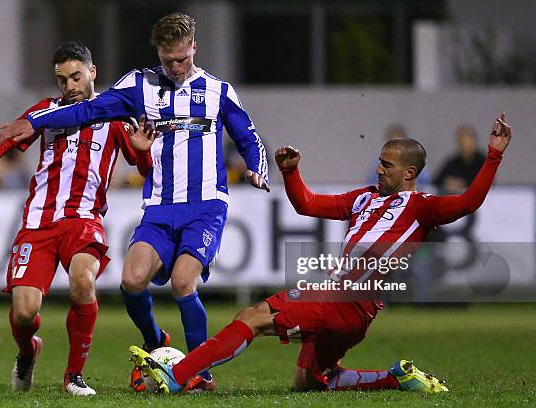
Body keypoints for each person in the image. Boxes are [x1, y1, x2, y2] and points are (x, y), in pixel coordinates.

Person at [128, 113, 512, 393]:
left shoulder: (420, 207)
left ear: (409, 173)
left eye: (387, 165)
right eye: (379, 161)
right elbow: (307, 204)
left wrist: (493, 155)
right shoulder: (362, 199)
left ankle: (177, 377)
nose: (378, 169)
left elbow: (468, 201)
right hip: (353, 313)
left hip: (341, 301)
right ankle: (394, 377)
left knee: (253, 316)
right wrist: (292, 172)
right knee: (309, 382)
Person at [0, 12, 269, 392]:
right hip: (158, 206)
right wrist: (36, 122)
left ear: (194, 47)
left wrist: (258, 168)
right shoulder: (139, 85)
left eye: (181, 59)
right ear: (157, 52)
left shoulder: (218, 91)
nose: (175, 67)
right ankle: (156, 340)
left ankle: (200, 372)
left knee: (182, 283)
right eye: (167, 59)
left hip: (205, 205)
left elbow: (247, 134)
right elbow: (89, 109)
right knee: (131, 281)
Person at [0, 42, 152, 396]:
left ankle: (74, 375)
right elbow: (12, 135)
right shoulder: (48, 111)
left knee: (83, 283)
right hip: (38, 223)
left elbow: (145, 167)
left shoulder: (117, 117)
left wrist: (144, 151)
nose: (70, 86)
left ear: (93, 72)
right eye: (62, 80)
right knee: (25, 313)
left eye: (76, 76)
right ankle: (28, 352)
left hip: (84, 220)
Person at [434, 124, 485, 194]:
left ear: (473, 142)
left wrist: (463, 183)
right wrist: (447, 181)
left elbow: (487, 181)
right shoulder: (453, 161)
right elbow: (437, 180)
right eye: (461, 142)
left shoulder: (483, 161)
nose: (464, 145)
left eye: (467, 142)